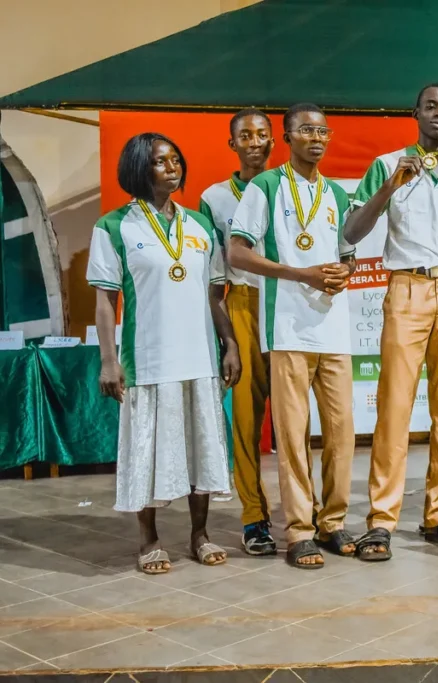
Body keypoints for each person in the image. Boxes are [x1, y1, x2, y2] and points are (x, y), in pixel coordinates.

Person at [344, 84, 438, 559]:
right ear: (415, 113)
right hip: (406, 288)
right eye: (432, 106)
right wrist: (391, 187)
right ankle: (381, 520)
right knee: (394, 409)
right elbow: (352, 230)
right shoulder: (387, 165)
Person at [87, 133, 239, 574]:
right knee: (147, 449)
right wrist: (109, 359)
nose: (172, 167)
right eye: (160, 162)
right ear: (138, 168)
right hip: (148, 360)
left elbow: (216, 297)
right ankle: (149, 538)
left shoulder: (200, 226)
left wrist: (228, 344)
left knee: (201, 447)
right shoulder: (114, 227)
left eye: (176, 159)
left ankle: (200, 535)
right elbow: (104, 301)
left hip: (199, 359)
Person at [229, 103, 357, 570]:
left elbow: (350, 255)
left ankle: (333, 523)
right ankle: (300, 530)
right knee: (293, 435)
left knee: (342, 434)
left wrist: (344, 271)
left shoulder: (337, 194)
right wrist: (298, 273)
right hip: (287, 330)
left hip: (335, 331)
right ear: (287, 137)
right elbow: (237, 252)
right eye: (306, 130)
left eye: (323, 131)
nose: (317, 137)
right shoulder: (266, 186)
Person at [199, 108, 279, 556]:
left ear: (274, 141)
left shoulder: (289, 184)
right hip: (245, 306)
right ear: (232, 144)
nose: (254, 141)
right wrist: (228, 340)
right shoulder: (215, 197)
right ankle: (254, 517)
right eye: (245, 135)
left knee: (294, 420)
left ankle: (307, 514)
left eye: (262, 134)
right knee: (246, 423)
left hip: (289, 304)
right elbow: (215, 282)